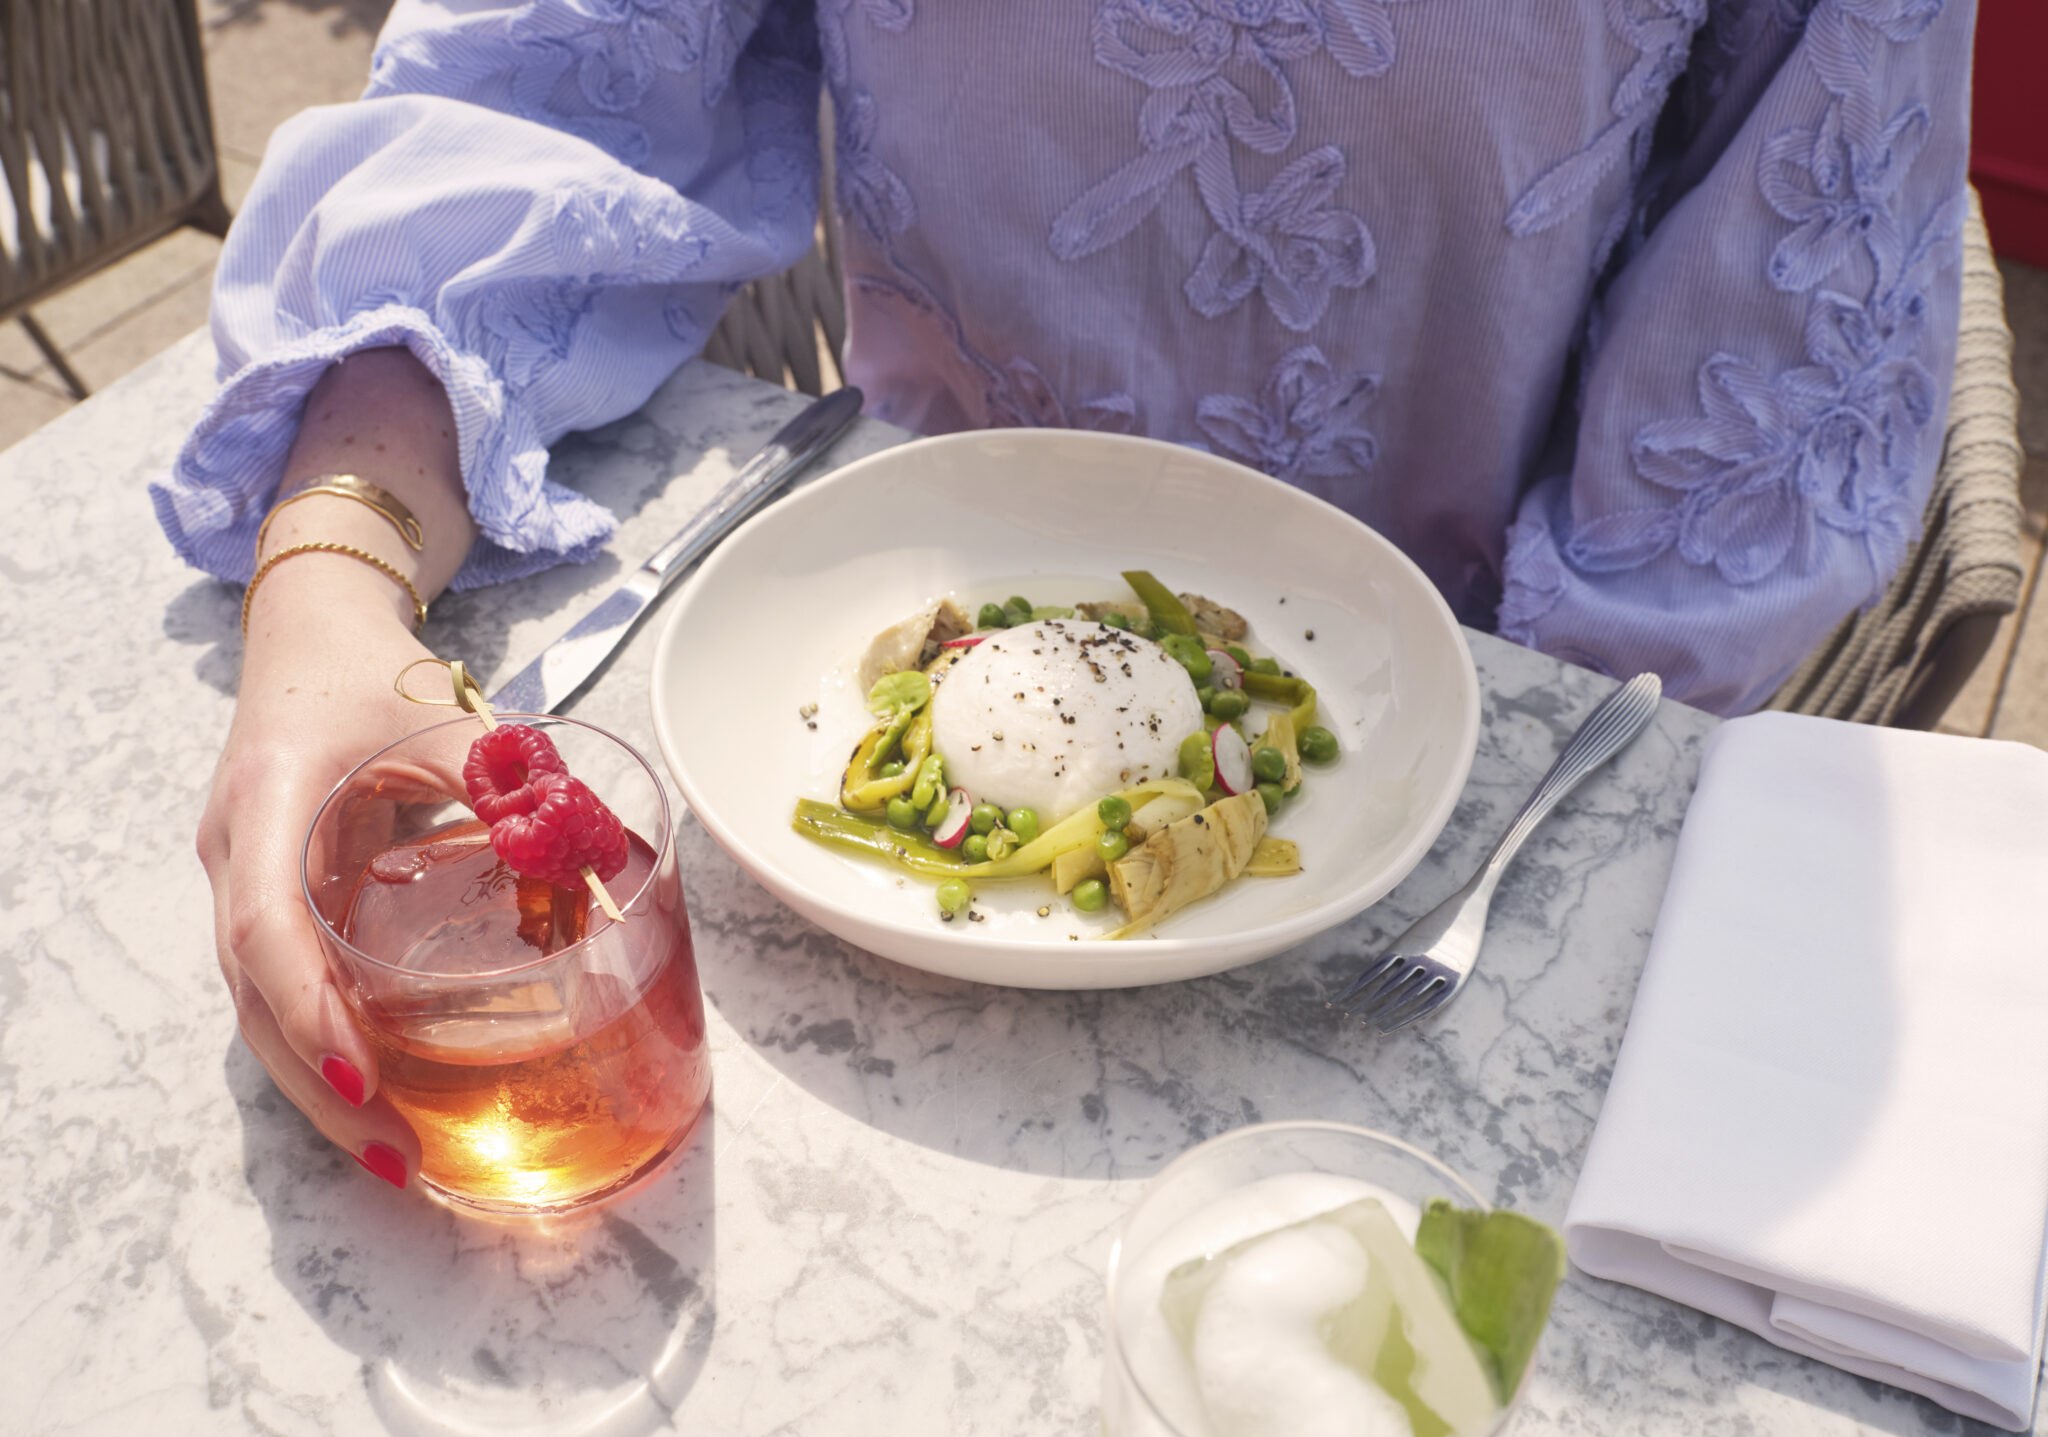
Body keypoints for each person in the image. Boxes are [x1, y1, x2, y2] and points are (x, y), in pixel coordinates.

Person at [159, 0, 1978, 1183]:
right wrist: (334, 572)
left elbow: (1763, 372)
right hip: (854, 874)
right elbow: (544, 86)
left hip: (1444, 869)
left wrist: (1476, 835)